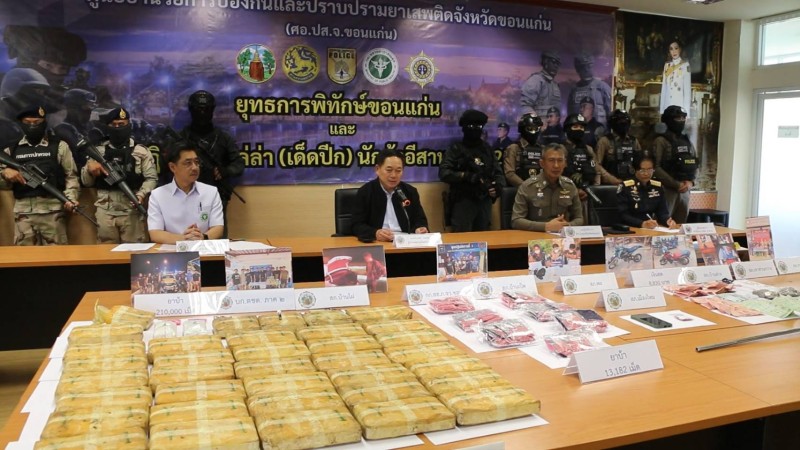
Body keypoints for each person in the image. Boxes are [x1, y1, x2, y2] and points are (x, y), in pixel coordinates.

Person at [0, 105, 80, 245]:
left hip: (53, 212)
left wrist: (71, 199)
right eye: (27, 123)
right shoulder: (11, 150)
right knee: (24, 257)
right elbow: (3, 185)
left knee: (58, 256)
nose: (32, 126)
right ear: (21, 124)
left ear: (44, 123)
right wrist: (5, 173)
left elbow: (71, 176)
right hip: (23, 214)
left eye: (37, 122)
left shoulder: (59, 146)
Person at [81, 107, 158, 243]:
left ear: (129, 125)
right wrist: (89, 169)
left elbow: (151, 179)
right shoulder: (98, 151)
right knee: (106, 251)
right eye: (114, 125)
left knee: (134, 251)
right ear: (108, 127)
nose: (117, 128)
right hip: (105, 211)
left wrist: (141, 194)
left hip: (131, 209)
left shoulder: (140, 151)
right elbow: (87, 182)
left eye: (121, 124)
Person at [180, 90, 245, 237]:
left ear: (212, 110)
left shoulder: (223, 138)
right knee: (188, 238)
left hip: (216, 196)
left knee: (218, 241)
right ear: (191, 110)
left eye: (206, 109)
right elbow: (171, 166)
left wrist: (226, 171)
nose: (202, 113)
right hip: (186, 195)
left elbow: (239, 164)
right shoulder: (181, 137)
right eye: (198, 109)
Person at [439, 109, 505, 232]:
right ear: (464, 128)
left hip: (484, 201)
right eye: (470, 126)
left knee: (483, 239)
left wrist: (497, 187)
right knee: (462, 240)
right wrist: (466, 176)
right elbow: (444, 173)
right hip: (463, 201)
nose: (474, 130)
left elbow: (498, 173)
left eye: (478, 127)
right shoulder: (456, 149)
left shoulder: (487, 149)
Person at [147, 142, 224, 244]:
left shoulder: (211, 192)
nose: (194, 167)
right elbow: (155, 233)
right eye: (188, 163)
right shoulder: (157, 195)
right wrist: (184, 239)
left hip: (202, 247)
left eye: (196, 162)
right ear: (172, 167)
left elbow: (218, 228)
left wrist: (202, 237)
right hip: (172, 250)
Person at [351, 148, 429, 242]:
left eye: (398, 171)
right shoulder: (366, 192)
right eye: (389, 170)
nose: (393, 175)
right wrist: (375, 233)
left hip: (405, 243)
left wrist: (420, 229)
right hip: (378, 243)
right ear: (377, 169)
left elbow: (420, 220)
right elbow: (356, 225)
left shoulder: (409, 192)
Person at [511, 143, 583, 232]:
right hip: (536, 236)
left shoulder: (569, 186)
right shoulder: (528, 186)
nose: (556, 165)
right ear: (542, 163)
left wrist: (566, 226)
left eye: (560, 160)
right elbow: (516, 221)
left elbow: (579, 218)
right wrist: (545, 226)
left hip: (562, 236)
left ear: (565, 163)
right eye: (551, 160)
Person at [653, 105, 697, 223]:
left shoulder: (686, 141)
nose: (681, 121)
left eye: (683, 118)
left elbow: (695, 163)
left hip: (685, 190)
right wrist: (676, 184)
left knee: (681, 225)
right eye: (678, 118)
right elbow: (656, 167)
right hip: (667, 190)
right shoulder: (661, 140)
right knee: (663, 224)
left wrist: (691, 182)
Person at [617, 156, 678, 229]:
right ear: (635, 170)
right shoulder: (626, 187)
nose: (646, 174)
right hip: (629, 228)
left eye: (650, 170)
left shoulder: (657, 187)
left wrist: (667, 221)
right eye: (642, 170)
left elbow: (662, 212)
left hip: (650, 228)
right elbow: (622, 215)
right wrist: (642, 224)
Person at [595, 109, 643, 185]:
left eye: (625, 121)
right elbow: (597, 165)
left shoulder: (633, 141)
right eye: (620, 121)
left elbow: (640, 163)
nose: (623, 124)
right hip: (610, 185)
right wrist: (613, 180)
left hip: (631, 183)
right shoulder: (604, 141)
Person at [562, 113, 599, 201]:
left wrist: (595, 188)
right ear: (567, 129)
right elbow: (557, 174)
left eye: (581, 127)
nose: (579, 129)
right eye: (575, 127)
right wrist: (574, 190)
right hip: (566, 194)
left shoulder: (588, 149)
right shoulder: (561, 149)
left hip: (587, 193)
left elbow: (597, 171)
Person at [568, 53, 612, 126]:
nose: (586, 69)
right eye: (582, 67)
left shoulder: (602, 87)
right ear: (577, 69)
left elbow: (610, 111)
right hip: (579, 130)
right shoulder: (574, 90)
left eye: (588, 66)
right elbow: (570, 114)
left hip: (599, 130)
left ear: (593, 66)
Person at [503, 112, 544, 187]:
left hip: (541, 188)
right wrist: (526, 187)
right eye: (530, 128)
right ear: (522, 129)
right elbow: (509, 174)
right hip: (520, 190)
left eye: (536, 128)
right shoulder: (514, 148)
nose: (534, 132)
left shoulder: (543, 149)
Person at [520, 50, 561, 117]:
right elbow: (526, 105)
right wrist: (534, 120)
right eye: (553, 62)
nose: (556, 66)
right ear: (545, 62)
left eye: (558, 64)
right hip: (540, 121)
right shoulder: (536, 80)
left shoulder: (554, 84)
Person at [660, 38, 692, 117]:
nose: (674, 51)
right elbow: (664, 89)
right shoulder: (667, 65)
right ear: (669, 51)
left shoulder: (685, 65)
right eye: (671, 49)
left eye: (676, 48)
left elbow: (687, 92)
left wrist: (686, 113)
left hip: (679, 108)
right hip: (667, 107)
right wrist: (662, 110)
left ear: (680, 49)